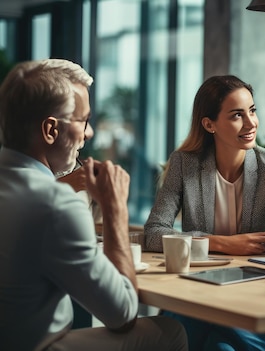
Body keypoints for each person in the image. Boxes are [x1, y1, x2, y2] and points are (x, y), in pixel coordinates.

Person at [0, 59, 187, 350]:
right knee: (170, 332)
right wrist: (114, 208)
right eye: (83, 121)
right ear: (50, 130)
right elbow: (122, 315)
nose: (89, 134)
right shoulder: (56, 204)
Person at [144, 75, 265, 350]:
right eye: (237, 115)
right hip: (196, 289)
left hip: (248, 291)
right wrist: (224, 243)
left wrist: (251, 245)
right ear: (209, 124)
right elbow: (154, 233)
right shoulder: (184, 164)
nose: (251, 123)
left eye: (252, 111)